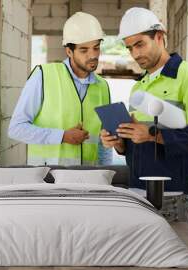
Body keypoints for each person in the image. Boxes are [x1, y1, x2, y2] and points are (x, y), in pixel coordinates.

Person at [100, 7, 188, 220]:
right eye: (129, 48)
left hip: (171, 192)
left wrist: (152, 134)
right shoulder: (139, 87)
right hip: (136, 190)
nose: (135, 54)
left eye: (140, 44)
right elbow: (136, 146)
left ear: (160, 37)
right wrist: (119, 142)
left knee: (170, 253)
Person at [9, 12, 113, 166]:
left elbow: (103, 143)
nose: (92, 55)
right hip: (47, 180)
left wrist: (107, 176)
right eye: (84, 50)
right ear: (69, 51)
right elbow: (16, 128)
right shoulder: (43, 75)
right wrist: (62, 136)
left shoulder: (102, 87)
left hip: (88, 182)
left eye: (96, 48)